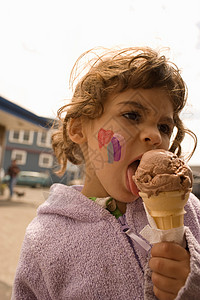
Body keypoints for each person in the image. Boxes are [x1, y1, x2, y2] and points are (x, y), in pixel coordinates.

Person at [11, 47, 200, 300]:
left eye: (164, 126)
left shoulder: (191, 211)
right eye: (132, 115)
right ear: (79, 129)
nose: (155, 136)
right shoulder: (43, 239)